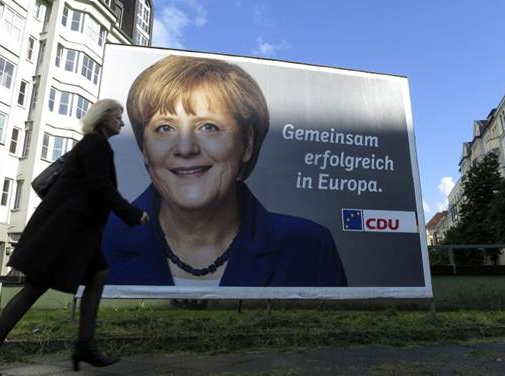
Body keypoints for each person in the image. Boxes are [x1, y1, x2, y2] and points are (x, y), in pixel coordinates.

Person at [103, 55, 347, 287]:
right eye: (165, 128)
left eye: (208, 126)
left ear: (247, 143)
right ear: (145, 148)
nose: (185, 148)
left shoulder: (310, 248)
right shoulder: (92, 240)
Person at [0, 99, 150, 376]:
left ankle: (84, 345)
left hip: (76, 231)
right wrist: (133, 214)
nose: (122, 123)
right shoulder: (95, 145)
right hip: (66, 233)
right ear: (104, 118)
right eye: (118, 117)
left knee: (99, 274)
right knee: (34, 288)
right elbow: (101, 187)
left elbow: (95, 187)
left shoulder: (93, 145)